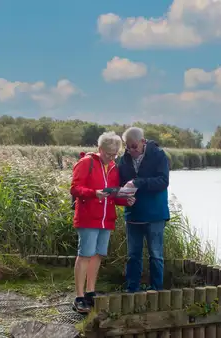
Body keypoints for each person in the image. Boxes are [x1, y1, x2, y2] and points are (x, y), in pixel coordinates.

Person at [70, 131, 135, 313]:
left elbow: (113, 195)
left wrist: (125, 199)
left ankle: (90, 292)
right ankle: (79, 296)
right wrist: (94, 193)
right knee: (85, 255)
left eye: (115, 155)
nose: (111, 158)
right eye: (108, 154)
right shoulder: (86, 163)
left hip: (106, 219)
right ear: (100, 149)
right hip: (88, 217)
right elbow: (75, 188)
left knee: (97, 255)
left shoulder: (114, 168)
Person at [118, 127, 170, 293]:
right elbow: (120, 185)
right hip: (133, 215)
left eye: (134, 146)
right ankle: (132, 290)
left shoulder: (159, 155)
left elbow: (163, 181)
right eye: (128, 147)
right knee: (133, 255)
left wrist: (138, 182)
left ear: (143, 141)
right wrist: (125, 198)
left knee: (156, 255)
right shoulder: (123, 160)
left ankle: (157, 290)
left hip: (155, 214)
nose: (131, 150)